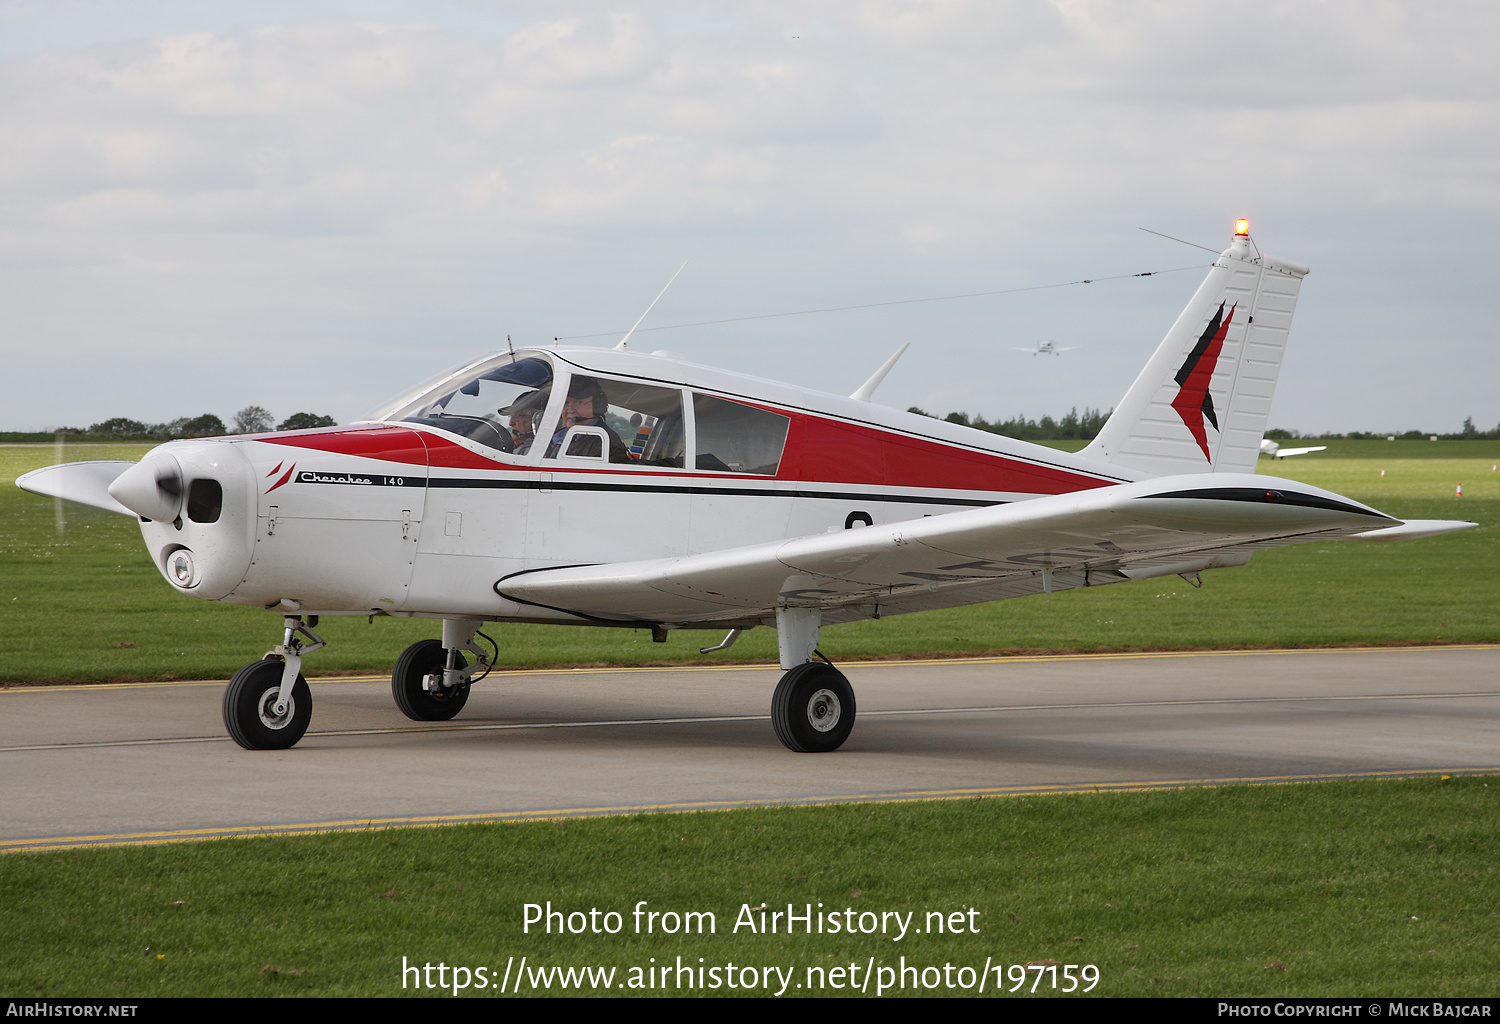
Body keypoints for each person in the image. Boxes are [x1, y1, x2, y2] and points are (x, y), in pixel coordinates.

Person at [544, 376, 629, 462]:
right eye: (566, 403)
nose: (570, 410)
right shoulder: (558, 436)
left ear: (598, 406)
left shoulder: (606, 441)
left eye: (578, 402)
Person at [500, 389, 545, 455]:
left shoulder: (540, 453)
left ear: (538, 419)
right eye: (510, 417)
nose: (510, 423)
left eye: (516, 417)